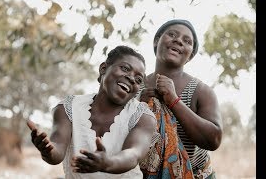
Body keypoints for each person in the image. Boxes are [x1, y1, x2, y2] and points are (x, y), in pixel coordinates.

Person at [27, 45, 157, 179]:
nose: (131, 78)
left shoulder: (143, 117)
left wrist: (107, 163)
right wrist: (47, 150)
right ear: (103, 68)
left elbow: (133, 154)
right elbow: (57, 152)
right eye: (125, 68)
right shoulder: (69, 107)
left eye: (138, 79)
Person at [138, 19, 223, 179]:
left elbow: (214, 139)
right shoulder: (136, 85)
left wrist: (174, 101)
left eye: (187, 41)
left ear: (190, 55)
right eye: (172, 34)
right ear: (157, 41)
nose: (178, 40)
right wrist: (138, 107)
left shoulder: (201, 91)